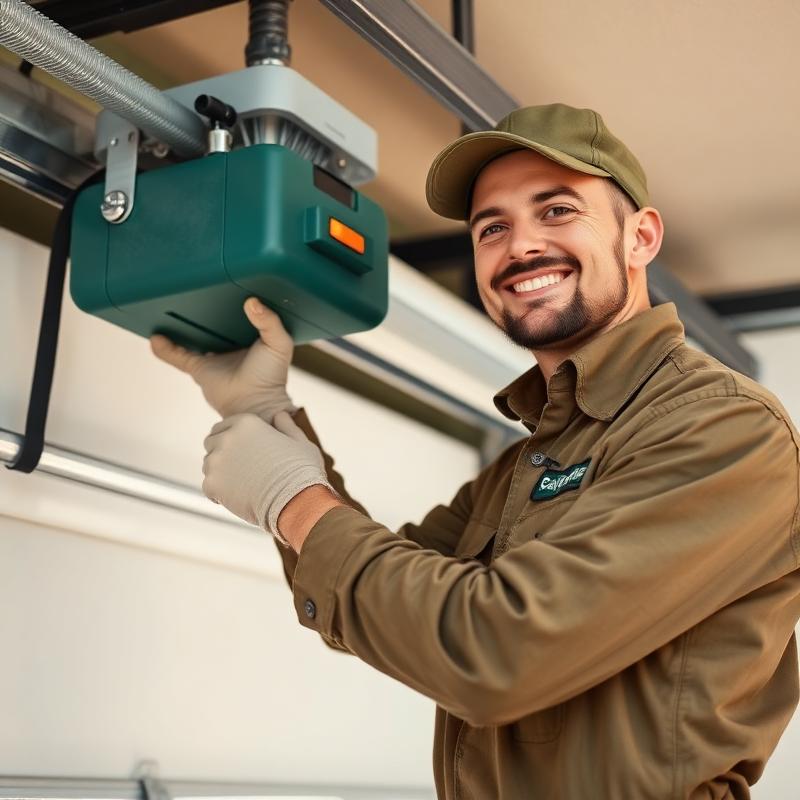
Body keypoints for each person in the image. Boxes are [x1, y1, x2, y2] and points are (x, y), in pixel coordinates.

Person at [151, 104, 800, 799]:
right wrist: (269, 418)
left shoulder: (724, 428)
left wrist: (291, 499)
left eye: (555, 211)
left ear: (640, 237)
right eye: (493, 228)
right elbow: (395, 611)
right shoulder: (528, 462)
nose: (520, 247)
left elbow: (493, 655)